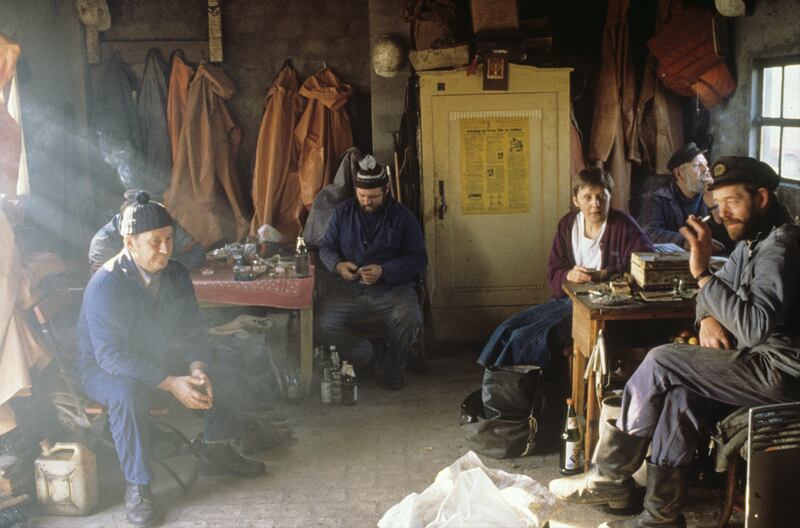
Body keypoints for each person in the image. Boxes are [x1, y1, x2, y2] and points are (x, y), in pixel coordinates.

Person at [549, 156, 800, 528]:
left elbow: (752, 327)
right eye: (718, 204)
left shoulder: (780, 246)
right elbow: (711, 296)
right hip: (755, 363)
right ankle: (659, 518)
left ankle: (610, 474)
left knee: (662, 360)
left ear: (761, 197)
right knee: (681, 394)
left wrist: (700, 273)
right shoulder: (752, 240)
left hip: (780, 374)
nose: (722, 213)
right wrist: (707, 317)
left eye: (732, 202)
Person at [76, 191, 265, 527]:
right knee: (126, 394)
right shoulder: (106, 283)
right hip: (105, 369)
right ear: (130, 243)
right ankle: (138, 485)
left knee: (226, 359)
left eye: (168, 239)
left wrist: (196, 367)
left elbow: (192, 327)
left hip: (154, 355)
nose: (165, 249)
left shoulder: (175, 273)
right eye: (155, 242)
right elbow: (110, 355)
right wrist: (171, 383)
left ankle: (217, 446)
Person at [478, 166, 654, 369]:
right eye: (587, 197)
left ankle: (511, 386)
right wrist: (569, 273)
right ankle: (495, 382)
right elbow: (554, 269)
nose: (595, 204)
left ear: (610, 197)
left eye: (601, 197)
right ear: (575, 200)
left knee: (526, 338)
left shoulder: (624, 225)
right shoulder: (568, 225)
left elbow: (646, 262)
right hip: (568, 300)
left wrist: (605, 274)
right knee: (508, 328)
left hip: (600, 308)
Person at [318, 155, 427, 390]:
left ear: (386, 190)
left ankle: (394, 368)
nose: (367, 201)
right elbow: (326, 248)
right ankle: (369, 356)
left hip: (391, 289)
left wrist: (385, 271)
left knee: (409, 317)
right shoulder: (342, 213)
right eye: (362, 196)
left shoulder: (403, 217)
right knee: (324, 323)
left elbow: (419, 259)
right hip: (349, 290)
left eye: (374, 196)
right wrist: (338, 265)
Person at [638, 142, 732, 253]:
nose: (706, 169)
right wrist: (688, 242)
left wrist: (714, 206)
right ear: (679, 174)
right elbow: (650, 232)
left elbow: (729, 239)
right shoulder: (657, 198)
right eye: (697, 165)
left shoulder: (713, 196)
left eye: (706, 164)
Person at [89, 189, 206, 272]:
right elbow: (109, 279)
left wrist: (163, 267)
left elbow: (197, 253)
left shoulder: (163, 224)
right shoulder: (103, 240)